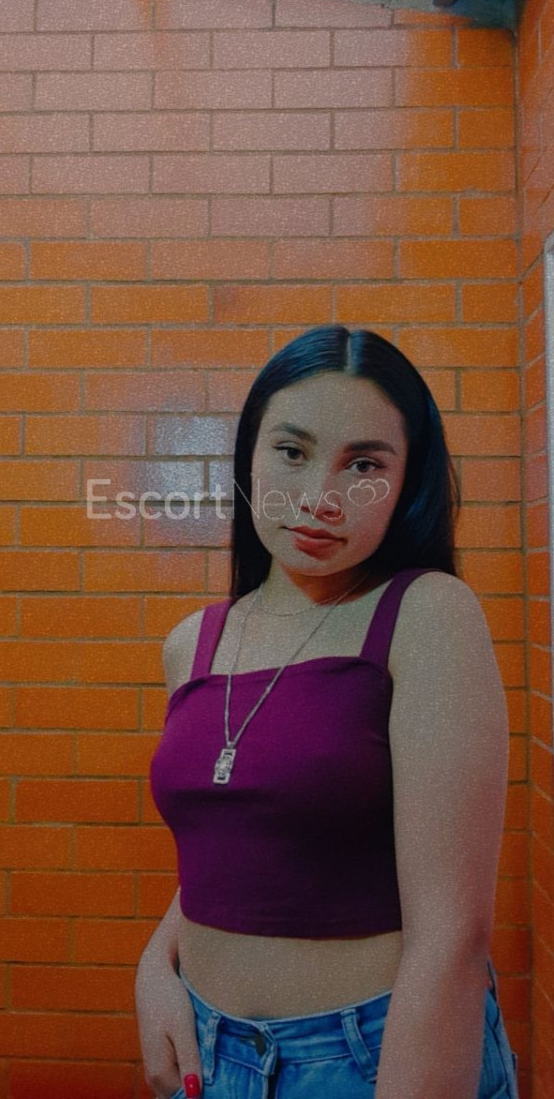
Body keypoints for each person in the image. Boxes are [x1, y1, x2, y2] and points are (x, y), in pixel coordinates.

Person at [136, 324, 520, 1099]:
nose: (319, 497)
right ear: (248, 455)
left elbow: (451, 933)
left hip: (367, 1054)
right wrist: (154, 966)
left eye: (364, 465)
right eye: (291, 451)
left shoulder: (425, 614)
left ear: (406, 482)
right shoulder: (191, 643)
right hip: (210, 1050)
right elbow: (239, 846)